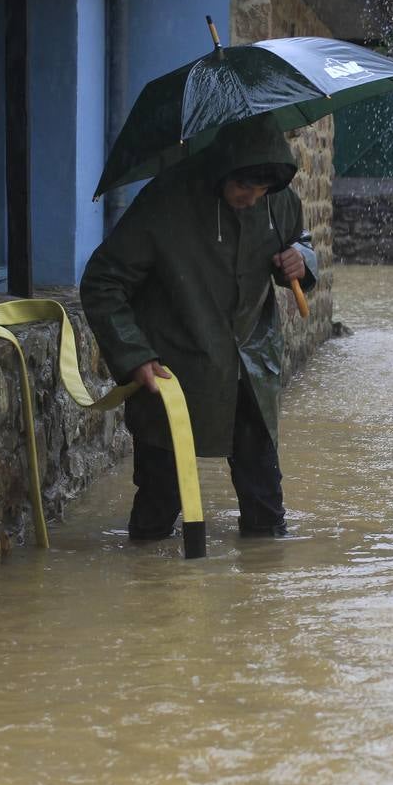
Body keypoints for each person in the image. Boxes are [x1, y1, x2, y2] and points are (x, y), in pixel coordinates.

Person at [80, 115, 316, 540]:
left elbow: (298, 244)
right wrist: (135, 356)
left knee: (266, 513)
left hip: (251, 367)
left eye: (262, 191)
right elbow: (102, 282)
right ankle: (149, 597)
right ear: (221, 169)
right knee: (157, 509)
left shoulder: (278, 201)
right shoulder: (165, 201)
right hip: (172, 371)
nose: (253, 198)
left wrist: (302, 259)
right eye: (245, 188)